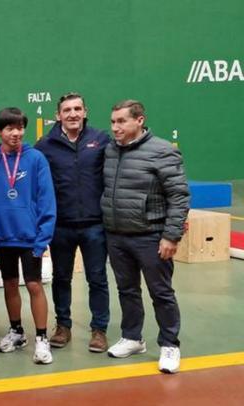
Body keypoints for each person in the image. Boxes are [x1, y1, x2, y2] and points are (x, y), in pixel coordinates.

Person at [102, 100, 190, 374]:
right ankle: (132, 337)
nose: (115, 127)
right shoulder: (110, 150)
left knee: (161, 293)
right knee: (127, 290)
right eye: (113, 122)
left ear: (139, 120)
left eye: (121, 121)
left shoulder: (162, 151)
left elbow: (179, 196)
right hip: (117, 235)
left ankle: (169, 344)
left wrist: (171, 236)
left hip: (151, 236)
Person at [0, 108, 56, 365]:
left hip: (30, 236)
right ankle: (16, 331)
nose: (16, 133)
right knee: (10, 283)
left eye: (20, 127)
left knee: (33, 285)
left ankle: (42, 338)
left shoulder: (36, 159)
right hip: (2, 237)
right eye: (10, 128)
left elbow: (46, 200)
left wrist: (43, 236)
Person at [35, 92, 111, 352]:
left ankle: (99, 330)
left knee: (98, 278)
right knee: (61, 278)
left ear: (85, 112)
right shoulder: (44, 145)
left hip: (94, 225)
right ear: (58, 116)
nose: (73, 114)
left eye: (77, 108)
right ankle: (63, 325)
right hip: (61, 226)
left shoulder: (101, 140)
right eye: (67, 110)